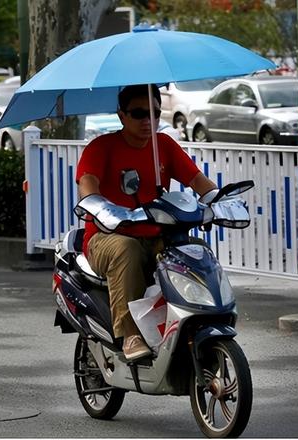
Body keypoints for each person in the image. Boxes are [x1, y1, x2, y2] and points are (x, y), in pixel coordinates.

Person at [76, 84, 218, 360]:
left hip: (156, 233)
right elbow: (87, 183)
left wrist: (220, 201)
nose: (148, 121)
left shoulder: (163, 145)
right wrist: (99, 206)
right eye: (139, 113)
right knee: (126, 249)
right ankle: (130, 335)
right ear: (121, 115)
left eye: (154, 113)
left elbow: (200, 183)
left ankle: (199, 318)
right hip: (106, 237)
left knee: (194, 250)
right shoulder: (101, 147)